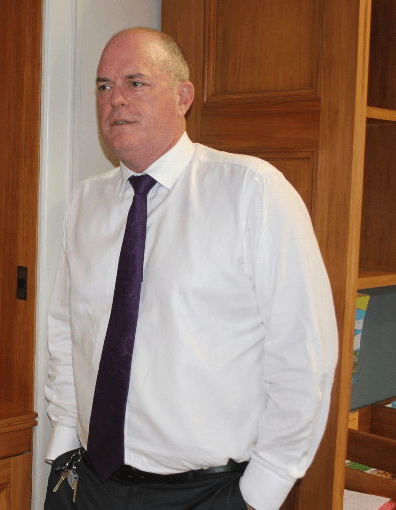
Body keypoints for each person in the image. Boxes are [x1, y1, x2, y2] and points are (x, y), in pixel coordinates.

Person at [44, 27, 338, 510]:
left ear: (183, 97)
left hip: (208, 493)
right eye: (103, 86)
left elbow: (305, 358)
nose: (115, 99)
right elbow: (67, 332)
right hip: (89, 481)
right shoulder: (86, 202)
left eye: (135, 82)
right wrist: (64, 442)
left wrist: (260, 492)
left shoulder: (252, 192)